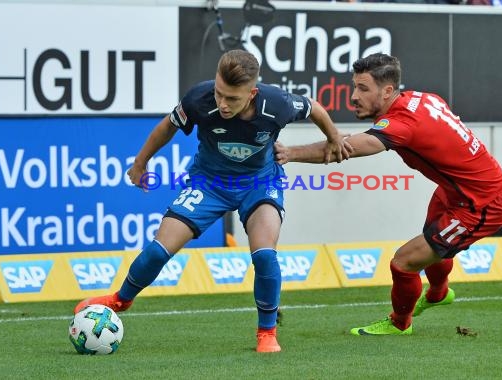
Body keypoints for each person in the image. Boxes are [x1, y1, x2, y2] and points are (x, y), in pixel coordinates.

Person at [74, 49, 350, 352]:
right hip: (208, 183)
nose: (222, 103)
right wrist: (141, 163)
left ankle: (267, 333)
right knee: (157, 251)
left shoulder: (277, 104)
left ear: (252, 93)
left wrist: (334, 137)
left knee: (264, 256)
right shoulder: (199, 99)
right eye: (219, 94)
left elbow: (314, 108)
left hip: (259, 183)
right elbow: (167, 125)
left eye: (232, 98)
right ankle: (121, 299)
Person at [274, 53, 502, 335]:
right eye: (355, 86)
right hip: (456, 192)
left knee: (404, 263)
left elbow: (346, 148)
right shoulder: (422, 99)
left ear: (387, 91)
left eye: (363, 89)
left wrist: (290, 153)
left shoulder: (403, 124)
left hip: (482, 204)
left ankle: (400, 324)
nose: (354, 96)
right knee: (432, 244)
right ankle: (438, 293)